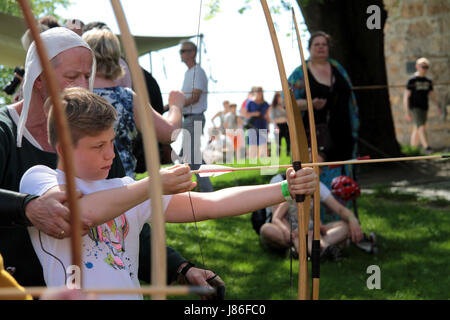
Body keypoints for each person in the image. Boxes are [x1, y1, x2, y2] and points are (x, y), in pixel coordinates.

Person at [19, 87, 317, 299]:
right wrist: (153, 185)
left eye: (111, 142)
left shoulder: (126, 189)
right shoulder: (40, 181)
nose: (110, 154)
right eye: (98, 146)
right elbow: (79, 214)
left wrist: (284, 188)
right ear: (62, 150)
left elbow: (210, 204)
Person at [0, 27, 212, 295]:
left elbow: (123, 216)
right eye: (70, 76)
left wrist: (179, 266)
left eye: (87, 75)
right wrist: (26, 207)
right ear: (38, 80)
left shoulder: (99, 143)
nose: (81, 85)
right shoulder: (4, 131)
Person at [82, 27, 183, 178]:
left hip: (85, 187)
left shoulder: (76, 98)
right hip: (123, 186)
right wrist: (176, 105)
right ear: (117, 57)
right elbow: (169, 133)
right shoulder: (127, 98)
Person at [259, 154, 364, 261]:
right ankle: (317, 251)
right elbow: (277, 217)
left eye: (320, 167)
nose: (319, 170)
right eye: (314, 165)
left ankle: (316, 250)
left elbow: (331, 211)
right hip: (291, 231)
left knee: (342, 227)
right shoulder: (285, 185)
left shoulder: (315, 188)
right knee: (267, 229)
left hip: (310, 230)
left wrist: (350, 220)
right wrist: (288, 231)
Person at [178, 40, 213, 192]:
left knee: (192, 157)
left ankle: (207, 191)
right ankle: (184, 189)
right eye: (181, 51)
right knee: (189, 156)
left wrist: (174, 105)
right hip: (189, 118)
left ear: (193, 52)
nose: (181, 54)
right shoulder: (189, 72)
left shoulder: (197, 71)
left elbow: (195, 97)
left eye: (184, 51)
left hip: (195, 117)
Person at [403, 57, 441, 154]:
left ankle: (412, 149)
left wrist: (437, 106)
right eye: (422, 66)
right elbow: (406, 97)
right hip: (414, 107)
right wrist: (406, 111)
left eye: (426, 67)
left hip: (424, 107)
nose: (424, 69)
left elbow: (432, 94)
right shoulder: (412, 80)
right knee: (421, 127)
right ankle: (427, 148)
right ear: (417, 66)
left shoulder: (428, 81)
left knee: (417, 127)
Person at [245, 86, 270, 159]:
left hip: (262, 125)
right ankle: (252, 160)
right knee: (252, 144)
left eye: (260, 91)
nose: (259, 92)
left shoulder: (266, 104)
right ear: (254, 92)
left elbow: (267, 117)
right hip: (252, 125)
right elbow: (246, 114)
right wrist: (254, 114)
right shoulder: (250, 102)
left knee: (263, 144)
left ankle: (262, 161)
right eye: (257, 91)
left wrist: (268, 127)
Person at [269, 91, 290, 156]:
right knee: (278, 142)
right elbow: (272, 119)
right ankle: (278, 155)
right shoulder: (273, 108)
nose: (280, 98)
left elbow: (288, 117)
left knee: (288, 141)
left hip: (285, 125)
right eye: (279, 97)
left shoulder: (285, 106)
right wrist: (276, 125)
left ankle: (288, 154)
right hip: (277, 126)